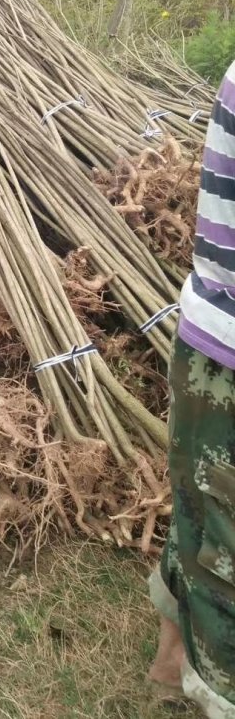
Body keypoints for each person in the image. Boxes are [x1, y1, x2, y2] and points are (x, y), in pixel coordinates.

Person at [148, 61, 235, 716]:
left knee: (200, 513)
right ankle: (213, 691)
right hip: (226, 355)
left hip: (208, 338)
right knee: (223, 549)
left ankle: (172, 654)